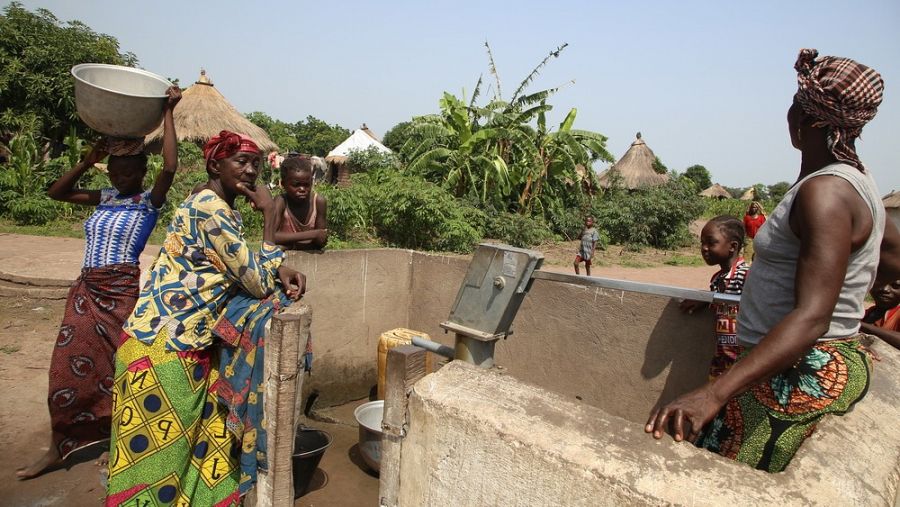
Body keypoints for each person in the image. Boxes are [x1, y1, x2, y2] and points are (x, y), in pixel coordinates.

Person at [646, 48, 900, 473]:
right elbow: (888, 255)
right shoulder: (857, 183)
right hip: (793, 360)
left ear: (807, 120)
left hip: (798, 370)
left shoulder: (827, 193)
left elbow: (813, 317)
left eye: (795, 105)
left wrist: (714, 393)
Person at [105, 131, 306, 505]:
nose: (250, 172)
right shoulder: (211, 211)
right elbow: (258, 284)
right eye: (241, 163)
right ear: (216, 166)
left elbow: (232, 265)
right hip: (164, 352)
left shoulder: (207, 203)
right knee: (154, 471)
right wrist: (269, 215)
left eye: (256, 165)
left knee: (198, 453)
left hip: (173, 347)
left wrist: (279, 266)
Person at [16, 87, 182, 480]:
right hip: (86, 291)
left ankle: (118, 440)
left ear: (141, 172)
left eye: (128, 171)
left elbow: (171, 168)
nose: (121, 176)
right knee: (65, 368)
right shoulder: (105, 197)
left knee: (121, 367)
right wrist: (88, 159)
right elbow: (56, 193)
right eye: (115, 171)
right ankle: (60, 445)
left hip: (120, 292)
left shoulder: (147, 202)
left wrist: (169, 113)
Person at [680, 216, 749, 379]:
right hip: (722, 362)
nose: (704, 248)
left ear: (733, 246)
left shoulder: (746, 276)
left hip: (743, 365)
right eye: (702, 243)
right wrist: (707, 298)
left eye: (711, 243)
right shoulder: (717, 279)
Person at [273, 155, 328, 250]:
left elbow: (321, 241)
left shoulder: (318, 202)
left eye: (306, 185)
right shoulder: (281, 201)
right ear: (283, 184)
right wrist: (312, 234)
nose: (302, 189)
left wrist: (291, 245)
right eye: (296, 185)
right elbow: (271, 237)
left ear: (311, 182)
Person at [860, 279, 900, 350]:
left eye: (895, 286)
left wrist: (860, 325)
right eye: (881, 284)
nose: (885, 289)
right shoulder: (865, 313)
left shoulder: (897, 314)